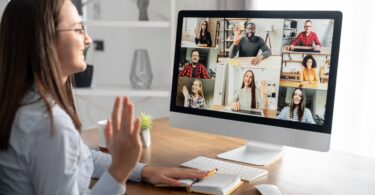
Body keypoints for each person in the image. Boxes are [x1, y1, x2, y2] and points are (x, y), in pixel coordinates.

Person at [0, 0, 207, 194]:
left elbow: (81, 158)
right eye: (78, 29)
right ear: (44, 39)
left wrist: (143, 171)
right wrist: (118, 171)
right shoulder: (50, 126)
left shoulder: (20, 105)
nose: (88, 39)